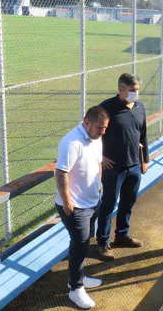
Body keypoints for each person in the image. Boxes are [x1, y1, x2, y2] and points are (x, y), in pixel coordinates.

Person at [55, 106, 109, 309]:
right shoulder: (71, 142)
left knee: (81, 244)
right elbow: (61, 173)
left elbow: (97, 164)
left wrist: (99, 187)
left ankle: (76, 278)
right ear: (87, 122)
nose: (103, 132)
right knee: (81, 246)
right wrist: (68, 203)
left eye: (105, 128)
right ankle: (75, 290)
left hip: (93, 201)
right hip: (76, 207)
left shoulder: (96, 138)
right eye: (100, 128)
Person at [96, 73, 149, 261]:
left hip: (134, 165)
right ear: (121, 89)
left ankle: (122, 236)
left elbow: (143, 134)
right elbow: (90, 134)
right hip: (113, 168)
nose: (136, 94)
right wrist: (99, 156)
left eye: (137, 90)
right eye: (132, 91)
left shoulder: (139, 107)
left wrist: (145, 160)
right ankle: (102, 243)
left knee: (128, 202)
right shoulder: (106, 108)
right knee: (108, 205)